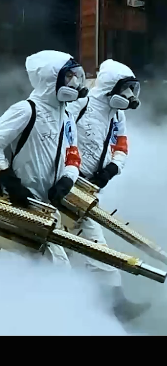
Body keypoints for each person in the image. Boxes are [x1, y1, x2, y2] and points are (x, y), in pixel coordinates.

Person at [0, 50, 86, 268]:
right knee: (25, 269)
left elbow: (73, 154)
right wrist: (10, 182)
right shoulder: (26, 110)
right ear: (50, 79)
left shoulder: (67, 116)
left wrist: (67, 180)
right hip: (18, 204)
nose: (74, 83)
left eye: (76, 76)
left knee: (49, 269)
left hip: (46, 208)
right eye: (68, 76)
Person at [66, 59, 149, 322]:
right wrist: (68, 169)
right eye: (125, 89)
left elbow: (121, 146)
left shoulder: (117, 115)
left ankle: (102, 303)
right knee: (90, 245)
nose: (130, 95)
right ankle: (111, 305)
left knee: (78, 245)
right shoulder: (81, 104)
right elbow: (57, 136)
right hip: (65, 185)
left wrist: (112, 168)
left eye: (132, 89)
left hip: (89, 189)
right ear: (111, 86)